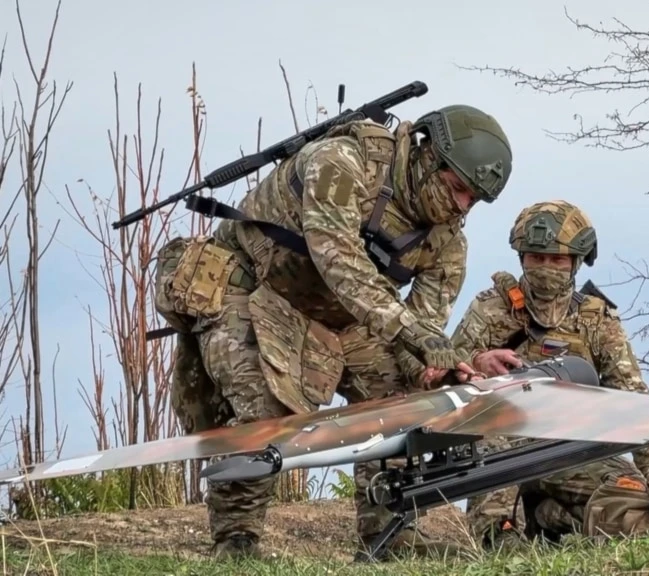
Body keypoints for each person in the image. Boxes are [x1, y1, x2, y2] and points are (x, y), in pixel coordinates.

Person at [151, 104, 513, 559]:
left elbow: (421, 334)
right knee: (264, 406)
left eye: (472, 199)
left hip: (345, 317)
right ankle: (237, 539)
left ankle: (390, 532)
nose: (461, 206)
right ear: (427, 156)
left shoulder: (447, 244)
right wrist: (416, 337)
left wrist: (434, 369)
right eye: (457, 188)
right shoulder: (342, 162)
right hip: (254, 284)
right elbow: (337, 259)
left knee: (404, 399)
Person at [448, 199, 649, 549]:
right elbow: (442, 373)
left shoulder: (597, 321)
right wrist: (477, 362)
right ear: (521, 257)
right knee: (495, 455)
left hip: (571, 450)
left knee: (640, 509)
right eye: (537, 258)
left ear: (576, 262)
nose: (545, 268)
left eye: (557, 260)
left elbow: (637, 402)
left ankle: (553, 519)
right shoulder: (490, 308)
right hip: (500, 443)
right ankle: (499, 535)